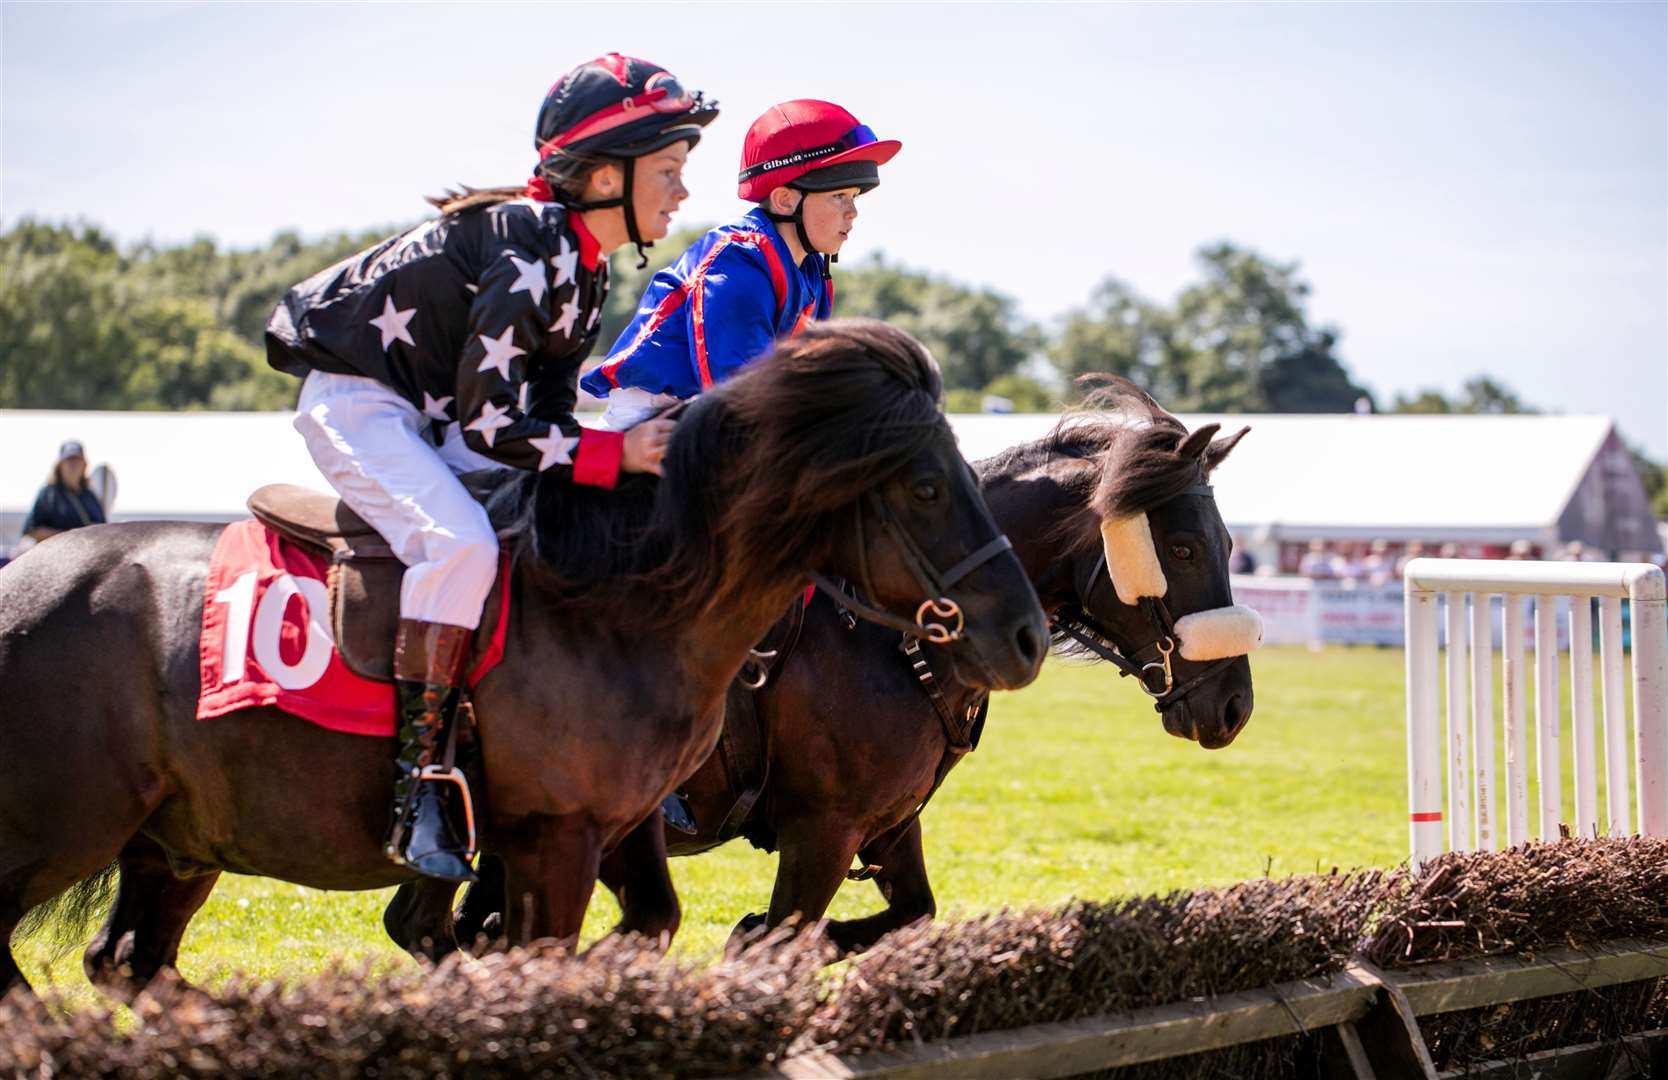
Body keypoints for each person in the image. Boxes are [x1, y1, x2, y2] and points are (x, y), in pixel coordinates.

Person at [264, 54, 716, 883]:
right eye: (670, 170)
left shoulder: (583, 266)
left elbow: (538, 426)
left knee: (559, 518)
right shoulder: (528, 240)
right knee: (462, 547)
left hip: (438, 413)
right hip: (365, 406)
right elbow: (499, 422)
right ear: (604, 173)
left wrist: (628, 455)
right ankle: (421, 780)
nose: (683, 193)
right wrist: (617, 452)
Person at [582, 99, 900, 429]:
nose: (853, 212)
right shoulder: (737, 261)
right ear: (785, 199)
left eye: (855, 196)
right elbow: (737, 392)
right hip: (653, 416)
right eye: (839, 196)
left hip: (708, 411)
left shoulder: (811, 270)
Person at [23, 441, 106, 542]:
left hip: (88, 554)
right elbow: (32, 530)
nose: (73, 465)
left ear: (84, 465)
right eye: (69, 461)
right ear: (60, 465)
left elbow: (104, 528)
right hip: (55, 554)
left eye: (77, 460)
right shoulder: (48, 494)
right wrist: (68, 537)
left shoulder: (90, 496)